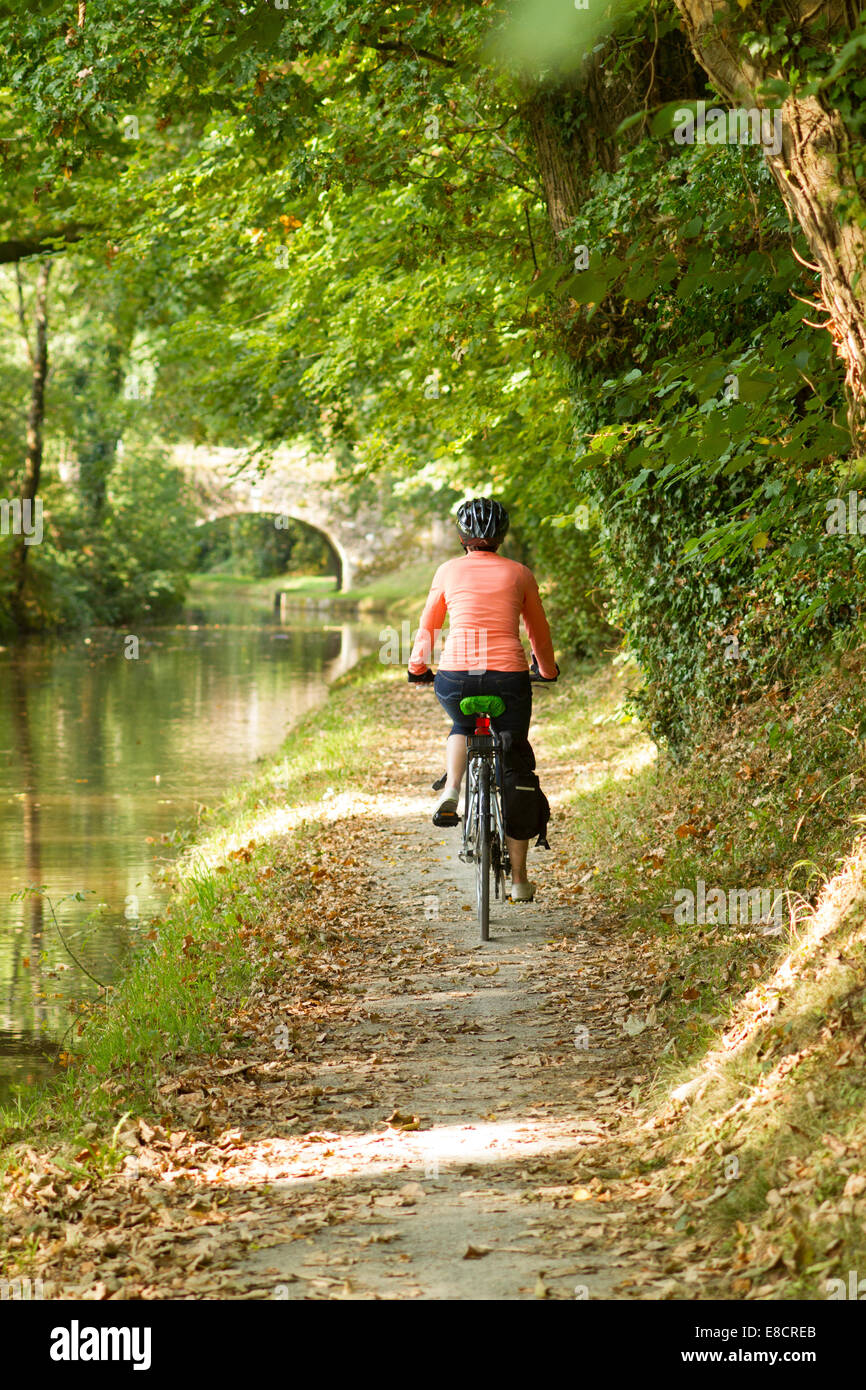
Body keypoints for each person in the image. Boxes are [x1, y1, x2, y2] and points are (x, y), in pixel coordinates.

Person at [407, 497, 558, 902]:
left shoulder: (447, 571)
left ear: (462, 537)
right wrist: (547, 669)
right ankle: (520, 880)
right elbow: (537, 630)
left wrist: (417, 667)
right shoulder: (520, 573)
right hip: (509, 678)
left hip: (457, 677)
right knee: (514, 763)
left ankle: (452, 789)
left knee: (461, 725)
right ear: (502, 537)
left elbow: (429, 625)